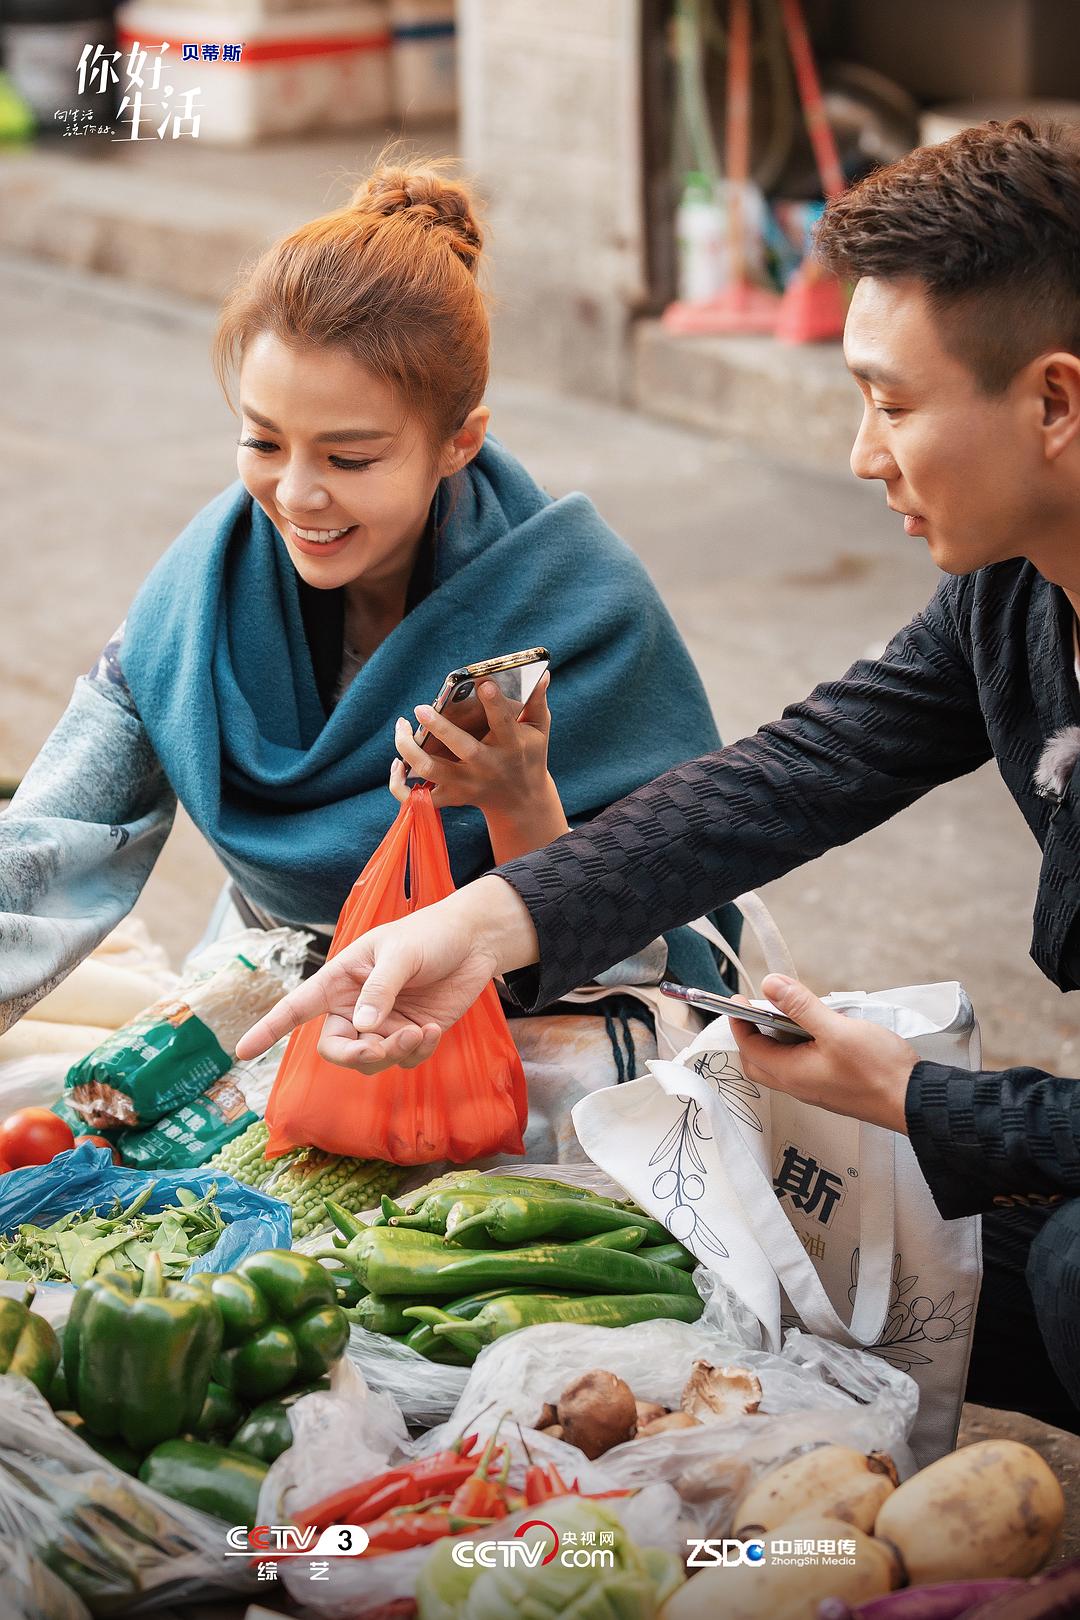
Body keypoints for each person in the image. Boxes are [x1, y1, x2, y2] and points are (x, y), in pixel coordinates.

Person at [239, 121, 1080, 1432]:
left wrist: (908, 1096)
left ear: (1055, 403)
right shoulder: (1006, 598)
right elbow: (789, 776)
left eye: (896, 405)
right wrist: (471, 927)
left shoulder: (581, 584)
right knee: (790, 1271)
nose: (862, 457)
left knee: (1054, 1282)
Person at [0, 158, 738, 1151]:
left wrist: (521, 806)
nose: (297, 494)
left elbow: (648, 940)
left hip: (538, 1036)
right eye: (264, 442)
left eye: (349, 458)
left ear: (458, 441)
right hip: (288, 1014)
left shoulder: (583, 611)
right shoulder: (197, 608)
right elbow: (47, 858)